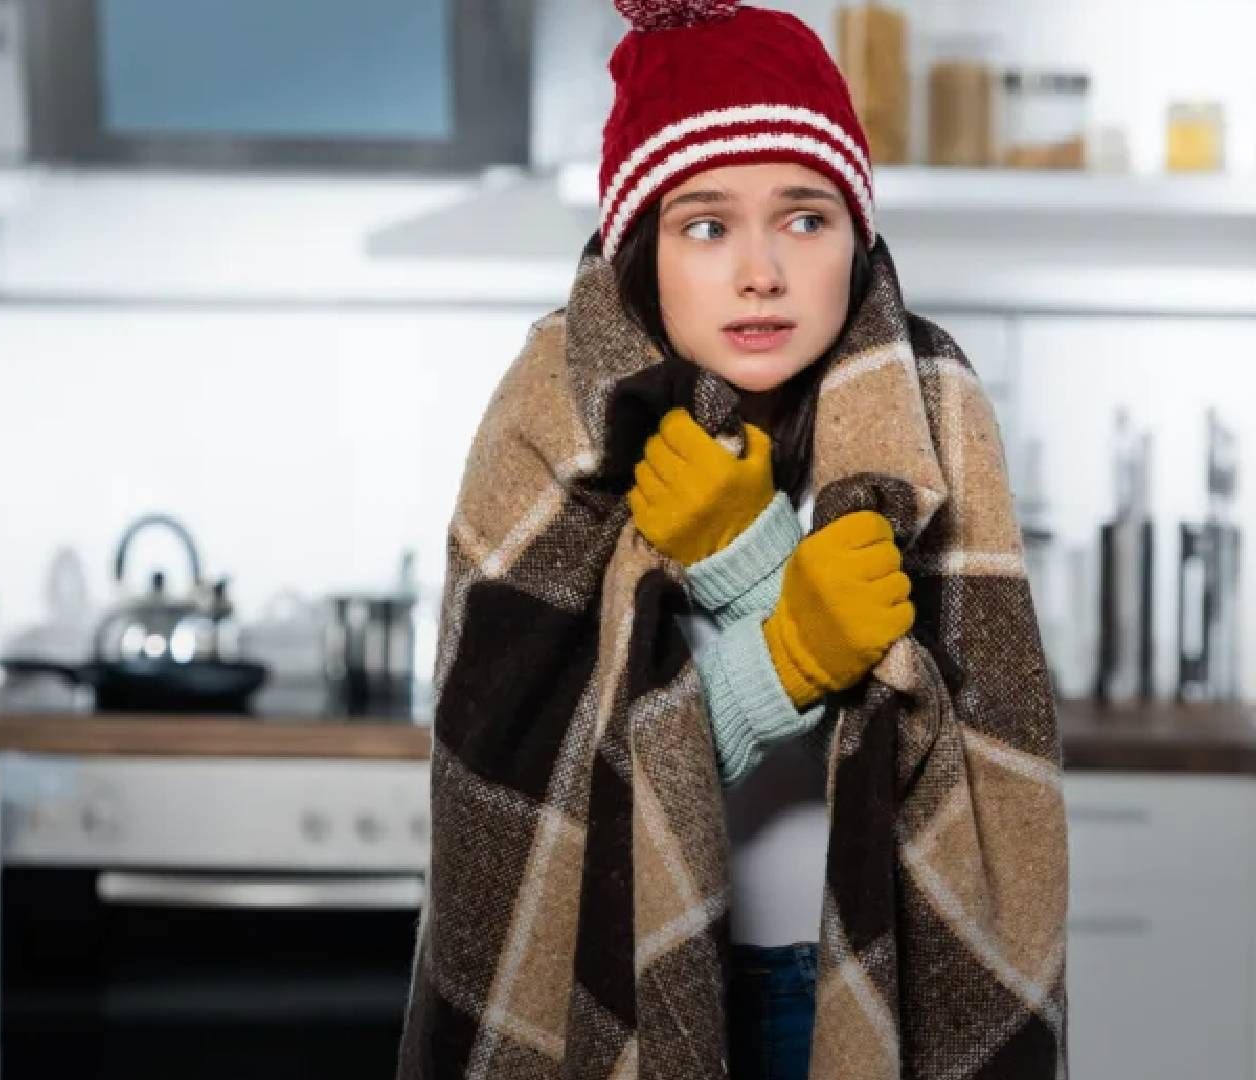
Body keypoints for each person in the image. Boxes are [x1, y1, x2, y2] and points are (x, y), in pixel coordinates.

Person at [396, 3, 1068, 1079]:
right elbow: (551, 780)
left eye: (805, 219)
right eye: (705, 225)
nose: (761, 270)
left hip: (862, 980)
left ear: (859, 236)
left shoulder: (934, 409)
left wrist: (747, 556)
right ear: (641, 251)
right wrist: (786, 649)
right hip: (615, 985)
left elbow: (957, 762)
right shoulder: (553, 417)